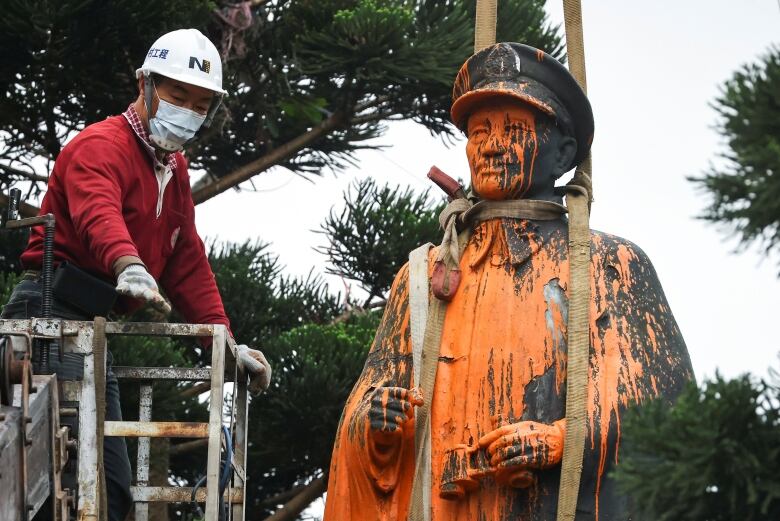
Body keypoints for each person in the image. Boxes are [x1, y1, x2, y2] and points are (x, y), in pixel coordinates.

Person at [323, 42, 693, 521]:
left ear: (561, 153)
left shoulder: (610, 265)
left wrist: (562, 438)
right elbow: (370, 396)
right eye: (480, 131)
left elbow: (664, 401)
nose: (492, 145)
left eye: (513, 129)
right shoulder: (422, 275)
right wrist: (373, 423)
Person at [1, 29, 271, 520]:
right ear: (144, 85)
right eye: (177, 95)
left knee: (109, 488)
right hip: (48, 319)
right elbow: (95, 211)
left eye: (201, 103)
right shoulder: (100, 145)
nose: (188, 110)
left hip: (90, 332)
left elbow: (186, 258)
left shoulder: (173, 169)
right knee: (56, 478)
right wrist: (128, 262)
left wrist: (225, 345)